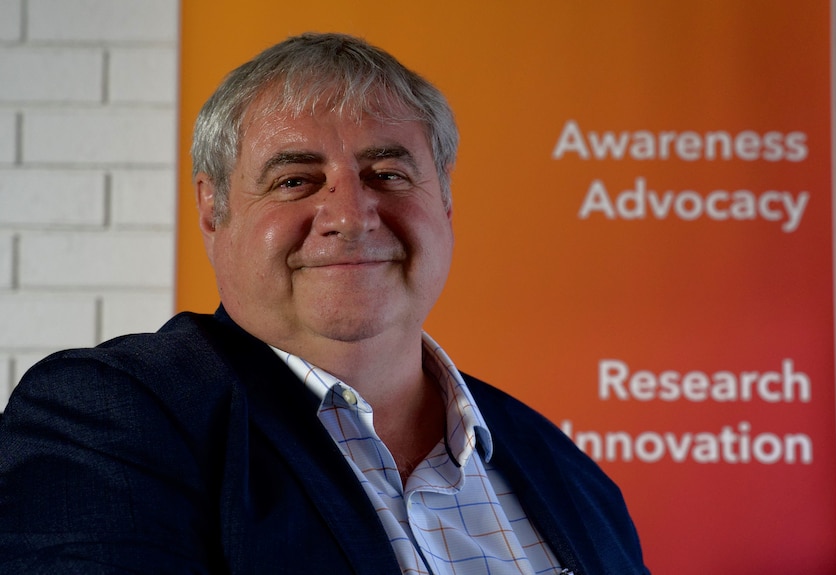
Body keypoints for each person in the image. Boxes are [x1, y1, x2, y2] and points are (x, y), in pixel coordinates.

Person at [0, 33, 649, 574]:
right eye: (295, 180)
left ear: (445, 203)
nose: (350, 215)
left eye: (387, 174)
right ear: (212, 210)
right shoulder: (108, 421)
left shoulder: (572, 476)